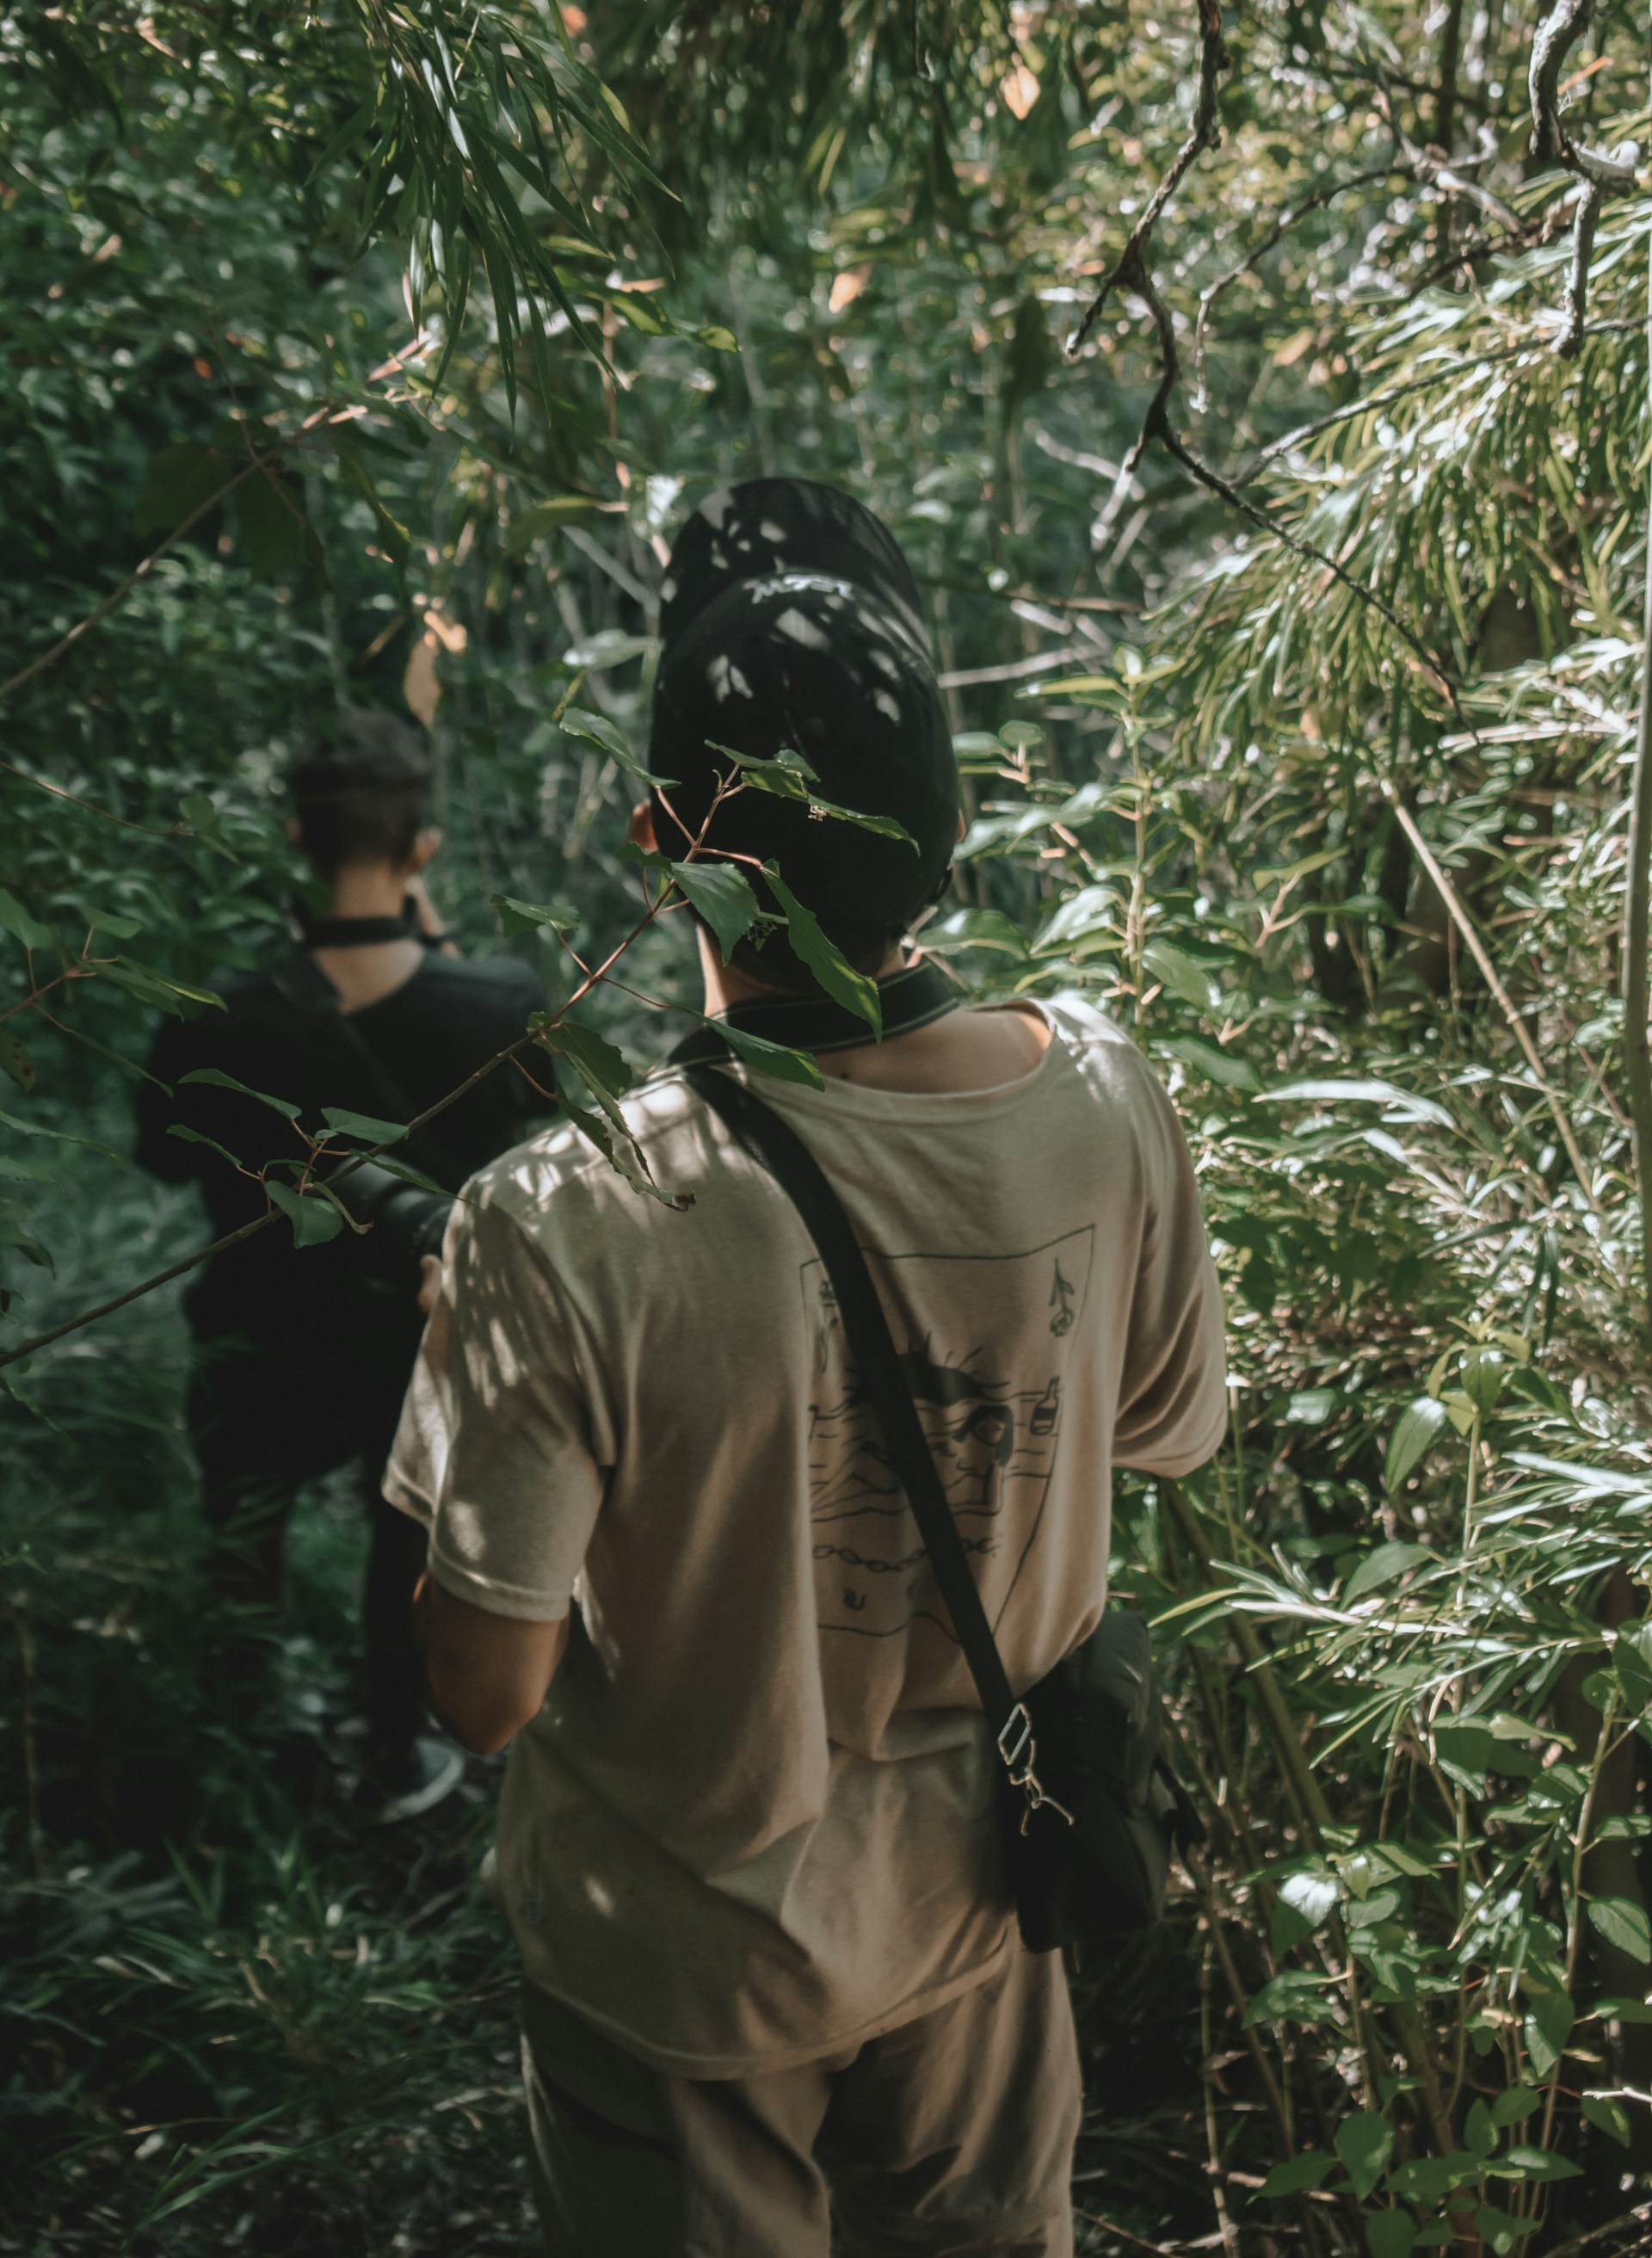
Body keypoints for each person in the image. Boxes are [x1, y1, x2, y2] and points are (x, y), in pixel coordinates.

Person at [385, 479, 1228, 2253]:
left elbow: (485, 1691)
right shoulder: (1102, 1096)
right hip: (987, 1910)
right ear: (959, 822)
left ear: (656, 835)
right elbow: (1157, 1431)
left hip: (683, 1964)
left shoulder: (569, 1210)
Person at [137, 708, 556, 1816]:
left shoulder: (218, 1019)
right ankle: (391, 1757)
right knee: (398, 1557)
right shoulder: (503, 1005)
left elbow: (157, 1156)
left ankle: (234, 1770)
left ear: (293, 838)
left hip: (254, 1337)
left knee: (243, 1550)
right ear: (422, 849)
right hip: (409, 1349)